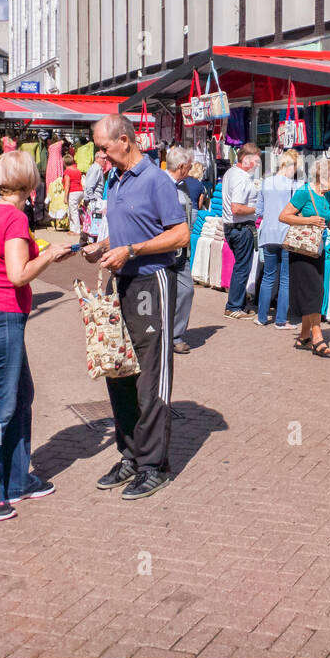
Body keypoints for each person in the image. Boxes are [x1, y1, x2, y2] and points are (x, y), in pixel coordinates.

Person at [0, 150, 74, 521]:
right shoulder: (13, 216)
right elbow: (18, 274)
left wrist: (39, 252)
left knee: (21, 395)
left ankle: (15, 478)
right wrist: (50, 255)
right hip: (2, 316)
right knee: (1, 404)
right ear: (30, 184)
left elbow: (0, 259)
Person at [84, 114, 189, 501]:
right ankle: (129, 454)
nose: (100, 154)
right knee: (120, 371)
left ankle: (153, 464)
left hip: (151, 282)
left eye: (104, 146)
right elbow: (131, 226)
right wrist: (104, 244)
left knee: (150, 375)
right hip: (121, 282)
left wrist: (133, 250)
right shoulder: (114, 179)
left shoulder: (157, 180)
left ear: (125, 140)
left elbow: (179, 234)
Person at [279, 157, 330, 358]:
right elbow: (284, 216)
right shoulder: (305, 192)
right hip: (301, 251)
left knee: (311, 292)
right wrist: (309, 219)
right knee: (315, 292)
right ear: (323, 175)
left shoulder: (326, 196)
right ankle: (317, 337)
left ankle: (303, 336)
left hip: (317, 250)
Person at [255, 149, 298, 329]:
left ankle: (262, 317)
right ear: (290, 166)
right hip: (286, 235)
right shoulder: (293, 186)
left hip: (268, 235)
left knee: (268, 276)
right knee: (285, 279)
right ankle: (280, 320)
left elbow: (259, 211)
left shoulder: (265, 183)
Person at [221, 142, 261, 319]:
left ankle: (240, 303)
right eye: (256, 161)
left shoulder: (231, 173)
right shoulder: (241, 178)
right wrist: (258, 209)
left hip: (233, 227)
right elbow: (236, 208)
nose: (258, 164)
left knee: (241, 266)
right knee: (243, 267)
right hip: (241, 227)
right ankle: (233, 306)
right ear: (246, 160)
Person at [165, 145, 197, 354]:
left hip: (181, 250)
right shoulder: (160, 184)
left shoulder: (183, 186)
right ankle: (164, 336)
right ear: (182, 167)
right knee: (163, 293)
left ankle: (175, 334)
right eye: (189, 166)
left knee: (186, 290)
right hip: (164, 249)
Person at [62, 152, 86, 235]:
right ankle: (72, 229)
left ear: (64, 163)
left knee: (73, 211)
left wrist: (65, 197)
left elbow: (67, 185)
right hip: (80, 191)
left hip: (73, 192)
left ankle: (77, 230)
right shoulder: (78, 170)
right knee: (72, 210)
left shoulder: (67, 172)